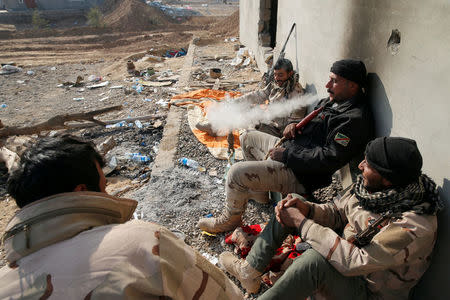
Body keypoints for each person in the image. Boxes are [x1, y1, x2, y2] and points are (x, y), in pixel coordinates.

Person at [0, 135, 242, 299]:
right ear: (81, 192)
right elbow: (226, 295)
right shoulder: (143, 242)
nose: (108, 196)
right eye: (104, 188)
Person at [218, 137, 443, 299]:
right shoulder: (374, 191)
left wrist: (301, 222)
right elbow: (336, 212)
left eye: (369, 164)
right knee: (293, 201)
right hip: (349, 262)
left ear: (388, 179)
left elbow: (355, 262)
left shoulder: (414, 226)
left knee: (314, 262)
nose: (361, 166)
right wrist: (307, 210)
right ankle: (250, 271)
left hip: (369, 290)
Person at [198, 59, 374, 233]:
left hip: (299, 173)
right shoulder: (334, 101)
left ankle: (230, 220)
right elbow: (312, 128)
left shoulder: (353, 120)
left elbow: (329, 158)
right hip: (292, 151)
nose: (327, 85)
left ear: (352, 86)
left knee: (235, 173)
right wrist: (295, 126)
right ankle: (260, 196)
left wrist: (286, 156)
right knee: (247, 138)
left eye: (334, 81)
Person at [196, 58, 306, 137]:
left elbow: (292, 126)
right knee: (242, 107)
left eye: (280, 75)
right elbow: (259, 95)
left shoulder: (297, 93)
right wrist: (236, 102)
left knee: (247, 120)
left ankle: (218, 127)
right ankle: (214, 126)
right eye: (275, 74)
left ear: (290, 73)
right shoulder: (277, 83)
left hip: (277, 131)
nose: (277, 78)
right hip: (269, 120)